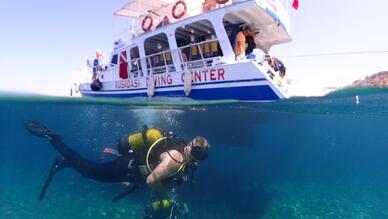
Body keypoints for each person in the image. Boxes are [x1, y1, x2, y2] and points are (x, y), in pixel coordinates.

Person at [24, 121, 210, 204]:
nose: (196, 157)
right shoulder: (175, 159)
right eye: (195, 151)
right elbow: (152, 180)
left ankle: (67, 160)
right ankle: (55, 141)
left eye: (201, 156)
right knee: (88, 171)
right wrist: (167, 191)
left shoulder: (182, 153)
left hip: (130, 167)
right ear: (189, 146)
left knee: (91, 169)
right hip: (125, 168)